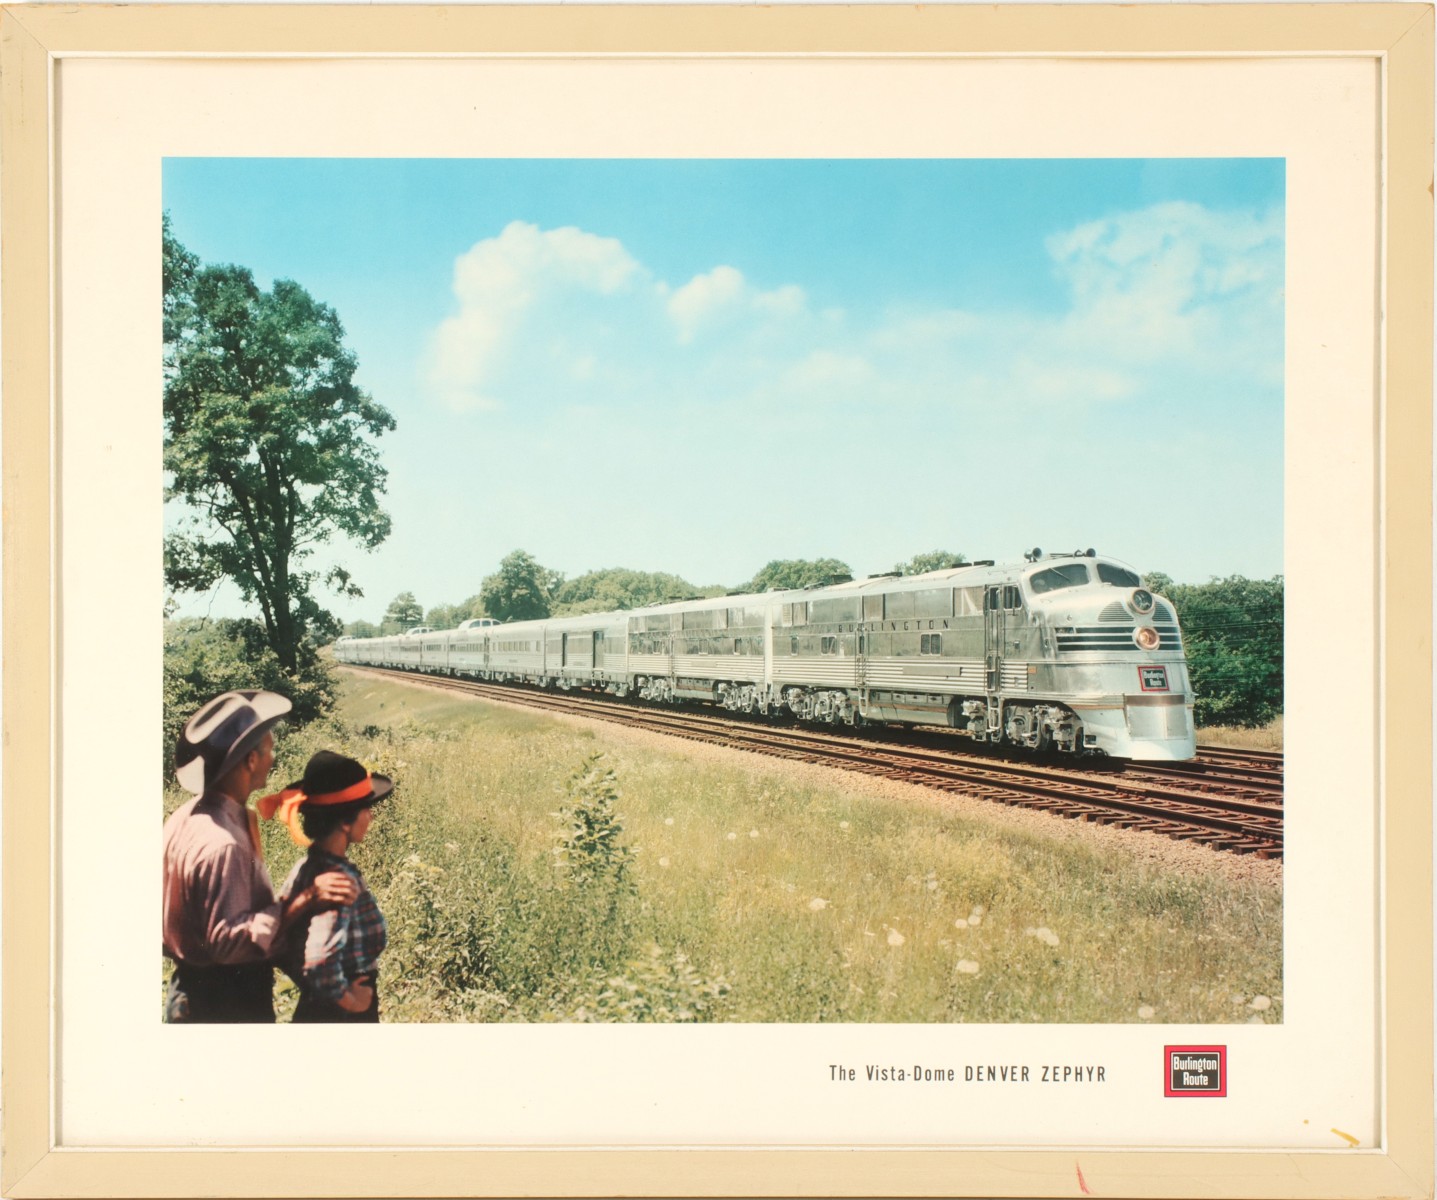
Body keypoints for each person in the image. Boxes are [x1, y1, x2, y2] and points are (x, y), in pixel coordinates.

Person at [162, 690, 359, 1023]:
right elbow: (226, 942)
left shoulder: (182, 818)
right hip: (226, 1002)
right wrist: (303, 900)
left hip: (189, 991)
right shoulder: (224, 845)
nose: (274, 757)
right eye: (269, 749)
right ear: (250, 761)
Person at [262, 750, 393, 1023]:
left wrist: (307, 983)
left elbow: (276, 939)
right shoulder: (338, 881)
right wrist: (350, 1000)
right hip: (343, 1015)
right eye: (365, 809)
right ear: (345, 821)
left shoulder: (305, 869)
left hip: (314, 1008)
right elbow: (321, 962)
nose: (370, 817)